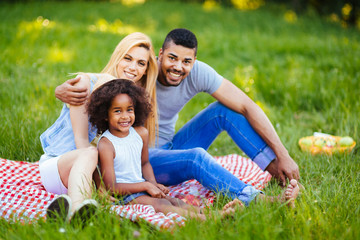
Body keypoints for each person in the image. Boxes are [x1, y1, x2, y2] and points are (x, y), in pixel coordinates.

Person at [55, 28, 300, 207]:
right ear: (160, 55)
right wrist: (63, 88)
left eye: (186, 61)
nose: (178, 66)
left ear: (194, 61)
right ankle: (255, 199)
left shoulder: (197, 72)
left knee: (224, 111)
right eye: (172, 58)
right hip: (141, 160)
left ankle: (277, 172)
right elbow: (105, 78)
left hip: (171, 149)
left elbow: (247, 105)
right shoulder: (141, 70)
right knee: (196, 158)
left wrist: (283, 154)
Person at [40, 32, 158, 222]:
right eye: (127, 58)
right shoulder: (85, 83)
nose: (132, 67)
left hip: (88, 181)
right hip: (60, 167)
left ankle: (79, 214)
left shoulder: (130, 101)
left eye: (141, 63)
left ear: (145, 70)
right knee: (90, 152)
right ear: (117, 58)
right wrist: (101, 187)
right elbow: (81, 143)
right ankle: (77, 206)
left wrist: (148, 186)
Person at [87, 79, 246, 220]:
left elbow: (145, 164)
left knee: (173, 200)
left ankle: (211, 213)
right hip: (123, 195)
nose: (125, 116)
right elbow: (111, 186)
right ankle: (212, 220)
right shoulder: (107, 144)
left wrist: (153, 183)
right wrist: (145, 186)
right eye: (117, 111)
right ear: (105, 115)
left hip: (142, 185)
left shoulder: (140, 133)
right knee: (161, 206)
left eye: (129, 109)